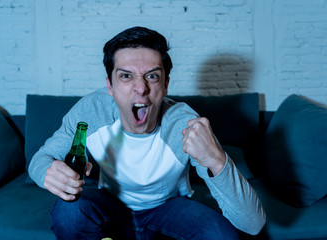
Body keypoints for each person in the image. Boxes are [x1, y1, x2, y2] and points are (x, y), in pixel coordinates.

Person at [28, 26, 266, 240]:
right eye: (126, 76)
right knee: (68, 211)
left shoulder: (185, 123)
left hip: (168, 208)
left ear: (165, 85)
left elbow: (253, 224)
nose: (140, 88)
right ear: (109, 86)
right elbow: (42, 158)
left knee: (219, 234)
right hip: (110, 205)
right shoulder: (90, 112)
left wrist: (216, 159)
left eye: (152, 76)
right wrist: (47, 172)